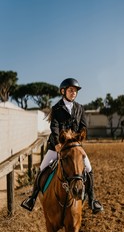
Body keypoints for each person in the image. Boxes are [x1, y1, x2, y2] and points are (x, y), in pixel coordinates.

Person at [21, 78, 103, 214]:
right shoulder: (56, 108)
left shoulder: (80, 108)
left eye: (75, 91)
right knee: (42, 168)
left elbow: (83, 127)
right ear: (63, 91)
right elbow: (54, 129)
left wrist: (77, 139)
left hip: (74, 147)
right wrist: (58, 144)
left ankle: (92, 201)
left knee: (88, 168)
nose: (73, 93)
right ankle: (32, 198)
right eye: (71, 90)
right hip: (57, 146)